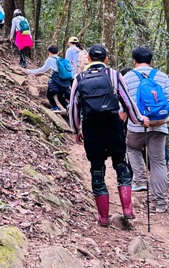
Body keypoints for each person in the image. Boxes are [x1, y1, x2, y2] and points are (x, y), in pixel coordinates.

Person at [69, 44, 149, 227]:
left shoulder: (79, 78)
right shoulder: (114, 75)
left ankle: (103, 218)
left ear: (88, 58)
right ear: (106, 59)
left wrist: (76, 130)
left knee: (97, 169)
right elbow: (127, 101)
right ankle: (127, 209)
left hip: (91, 129)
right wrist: (138, 119)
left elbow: (73, 107)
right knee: (121, 164)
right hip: (113, 126)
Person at [123, 46, 169, 213]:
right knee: (158, 163)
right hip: (159, 126)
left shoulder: (127, 77)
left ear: (134, 60)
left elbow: (122, 104)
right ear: (151, 61)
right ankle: (161, 203)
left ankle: (139, 180)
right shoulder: (162, 77)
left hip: (136, 126)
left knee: (131, 148)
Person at [25, 45, 72, 111]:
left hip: (56, 81)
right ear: (58, 52)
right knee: (60, 97)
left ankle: (55, 107)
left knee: (49, 95)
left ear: (49, 52)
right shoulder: (61, 59)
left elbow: (42, 70)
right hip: (64, 82)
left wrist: (30, 71)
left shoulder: (50, 59)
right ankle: (68, 107)